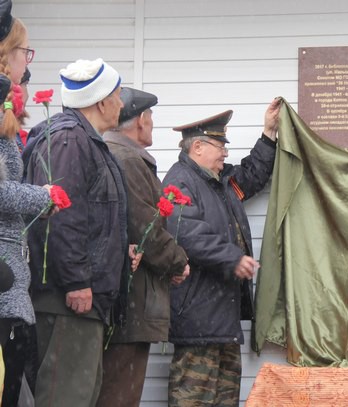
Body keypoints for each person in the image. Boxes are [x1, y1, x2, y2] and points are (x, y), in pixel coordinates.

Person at [24, 58, 129, 407]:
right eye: (117, 95)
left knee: (79, 395)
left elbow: (91, 217)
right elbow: (59, 215)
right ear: (100, 101)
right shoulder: (70, 140)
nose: (122, 104)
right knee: (64, 397)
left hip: (81, 300)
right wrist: (75, 280)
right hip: (68, 300)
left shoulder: (82, 139)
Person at [163, 98, 281, 407]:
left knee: (225, 401)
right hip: (197, 319)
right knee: (193, 400)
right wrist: (233, 257)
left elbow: (253, 175)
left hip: (221, 320)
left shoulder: (221, 181)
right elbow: (186, 232)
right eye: (220, 145)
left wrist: (269, 133)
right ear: (198, 148)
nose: (226, 152)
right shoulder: (180, 181)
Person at [95, 87, 190, 407]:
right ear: (139, 121)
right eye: (150, 117)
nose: (152, 124)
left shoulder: (120, 155)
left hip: (128, 298)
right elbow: (144, 225)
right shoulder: (127, 160)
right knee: (119, 394)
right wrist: (178, 262)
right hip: (131, 300)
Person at [0, 2, 59, 405]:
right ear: (7, 55)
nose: (28, 60)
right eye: (25, 51)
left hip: (10, 278)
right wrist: (44, 195)